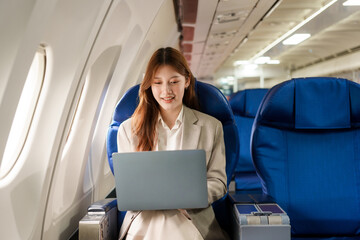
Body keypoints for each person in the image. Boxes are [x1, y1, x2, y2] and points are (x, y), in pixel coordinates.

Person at [117, 47, 228, 240]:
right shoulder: (128, 130)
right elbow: (128, 189)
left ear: (186, 81)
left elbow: (219, 183)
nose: (166, 91)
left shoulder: (211, 127)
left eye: (174, 82)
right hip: (145, 217)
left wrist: (191, 196)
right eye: (157, 83)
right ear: (149, 86)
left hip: (191, 216)